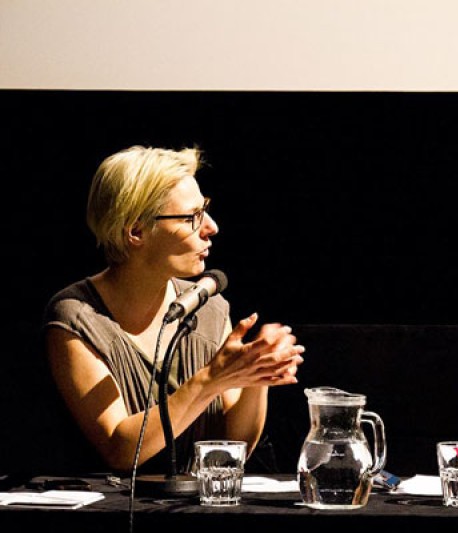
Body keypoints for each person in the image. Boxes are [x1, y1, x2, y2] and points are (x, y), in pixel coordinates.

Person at [42, 145, 305, 476]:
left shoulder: (208, 307)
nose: (211, 227)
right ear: (136, 231)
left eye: (205, 210)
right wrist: (210, 380)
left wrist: (256, 374)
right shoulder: (77, 317)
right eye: (191, 217)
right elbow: (121, 449)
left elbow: (233, 446)